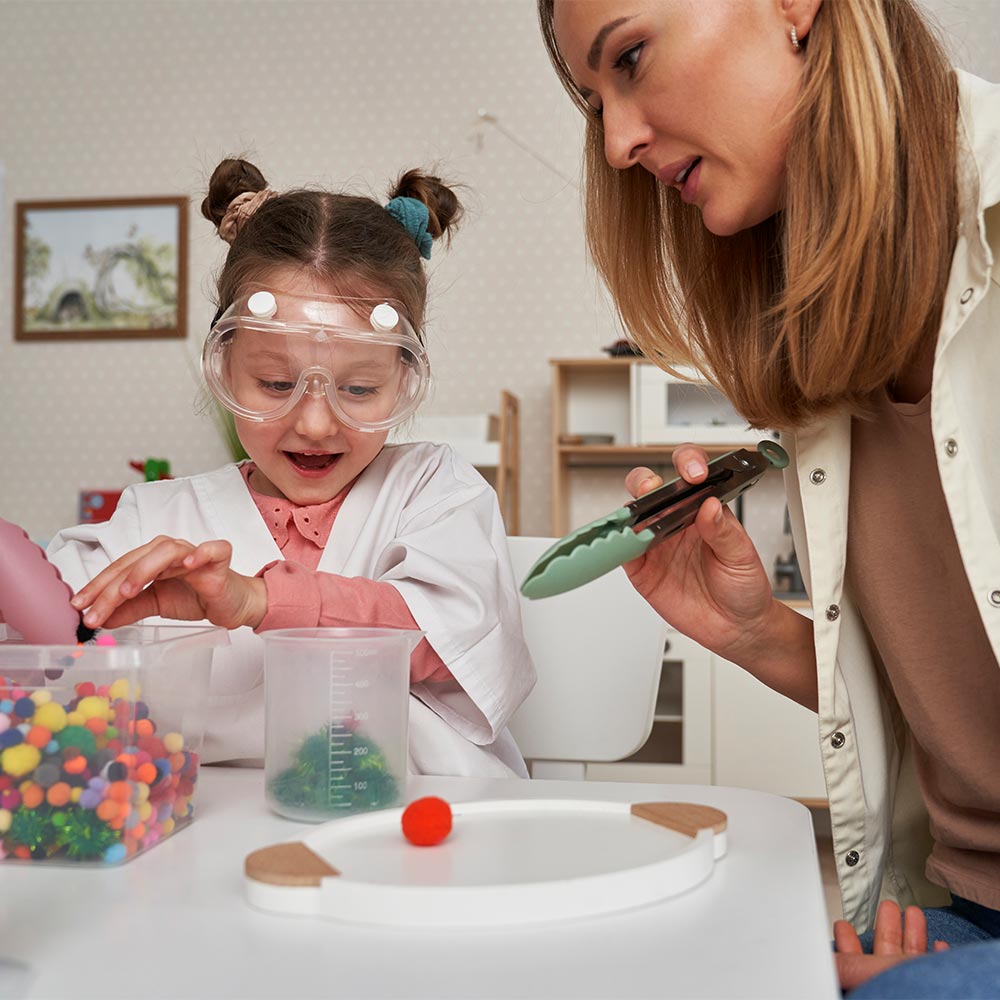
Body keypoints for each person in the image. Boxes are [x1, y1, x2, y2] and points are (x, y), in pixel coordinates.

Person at [538, 0, 1000, 993]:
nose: (616, 143)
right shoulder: (826, 331)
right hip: (961, 908)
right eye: (592, 105)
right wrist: (758, 634)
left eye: (629, 59)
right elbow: (952, 702)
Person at [47, 157, 536, 778]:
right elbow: (50, 635)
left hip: (423, 830)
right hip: (202, 842)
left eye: (358, 389)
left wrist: (256, 598)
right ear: (224, 367)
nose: (314, 424)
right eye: (276, 382)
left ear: (404, 378)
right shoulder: (156, 518)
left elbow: (449, 637)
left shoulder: (434, 490)